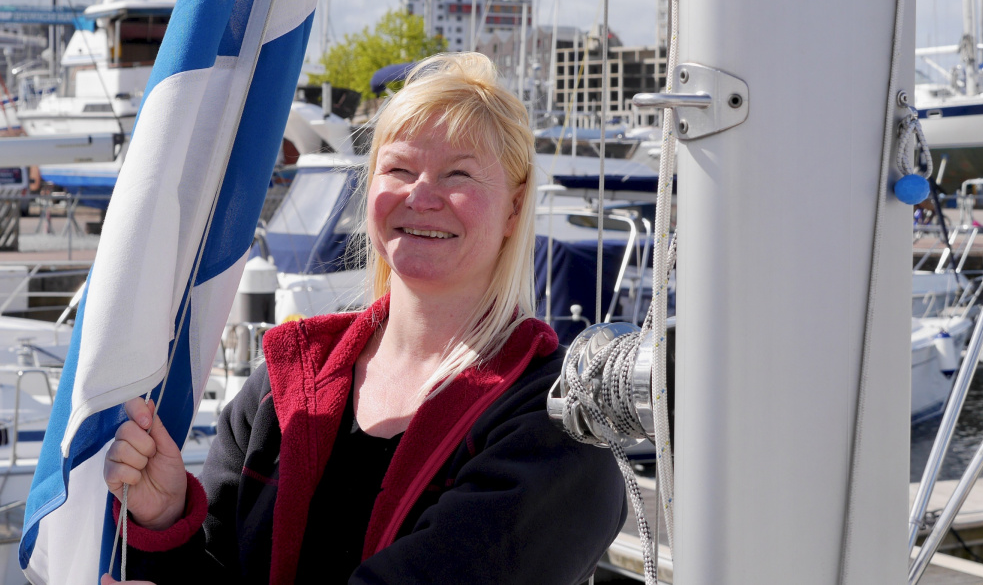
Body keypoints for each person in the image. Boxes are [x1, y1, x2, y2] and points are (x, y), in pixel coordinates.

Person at [103, 52, 627, 584]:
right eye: (398, 169)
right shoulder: (279, 389)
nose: (421, 196)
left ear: (515, 209)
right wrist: (167, 518)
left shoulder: (557, 424)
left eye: (459, 174)